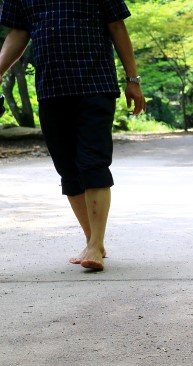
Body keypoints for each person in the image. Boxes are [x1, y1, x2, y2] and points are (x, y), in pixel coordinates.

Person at [0, 0, 146, 271]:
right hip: (51, 88)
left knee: (93, 163)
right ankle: (93, 241)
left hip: (95, 84)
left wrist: (133, 79)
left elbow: (116, 25)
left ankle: (95, 244)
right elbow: (19, 31)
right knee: (68, 170)